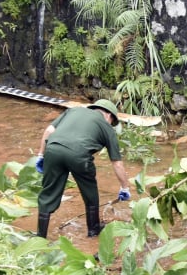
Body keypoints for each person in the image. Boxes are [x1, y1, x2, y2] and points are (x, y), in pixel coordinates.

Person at [35, 99, 131, 239]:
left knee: (48, 193)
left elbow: (49, 130)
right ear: (109, 116)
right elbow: (117, 163)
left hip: (53, 149)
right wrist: (125, 187)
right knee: (90, 194)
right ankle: (93, 232)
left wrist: (41, 155)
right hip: (79, 155)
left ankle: (40, 237)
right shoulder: (106, 126)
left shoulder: (73, 110)